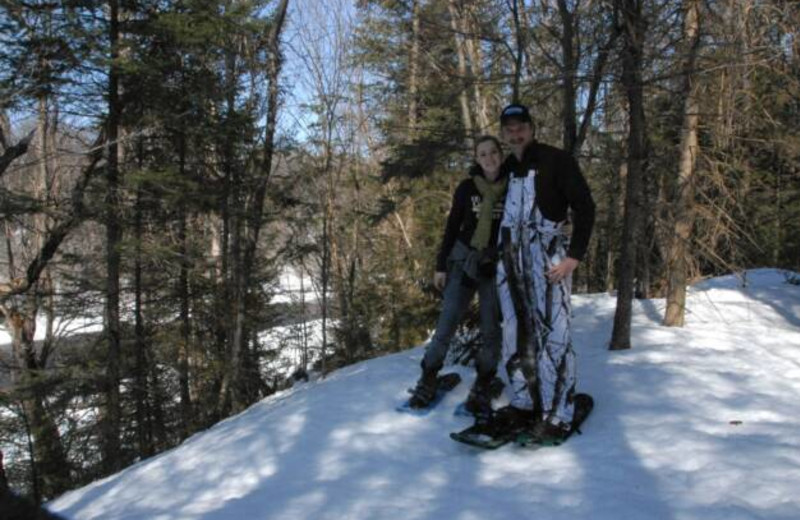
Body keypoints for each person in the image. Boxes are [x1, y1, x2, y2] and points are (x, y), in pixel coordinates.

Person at [492, 103, 595, 443]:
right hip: (510, 261)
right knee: (514, 333)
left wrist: (573, 257)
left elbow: (585, 207)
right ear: (504, 133)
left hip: (547, 261)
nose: (515, 133)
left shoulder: (556, 160)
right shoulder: (506, 168)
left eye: (521, 127)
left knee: (555, 334)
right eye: (509, 129)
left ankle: (559, 411)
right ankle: (523, 402)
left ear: (531, 128)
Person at [408, 135, 507, 415]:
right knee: (447, 323)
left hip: (493, 264)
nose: (489, 158)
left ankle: (485, 380)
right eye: (483, 154)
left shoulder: (512, 187)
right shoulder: (466, 188)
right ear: (476, 158)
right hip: (463, 261)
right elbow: (452, 226)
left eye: (493, 152)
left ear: (501, 154)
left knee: (490, 328)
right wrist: (441, 266)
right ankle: (428, 376)